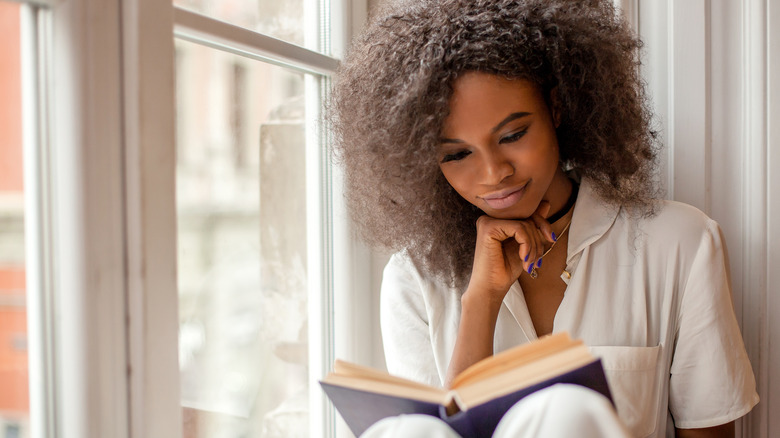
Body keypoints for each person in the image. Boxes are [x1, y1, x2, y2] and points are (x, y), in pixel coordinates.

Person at [328, 0, 759, 436]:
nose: (494, 173)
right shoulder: (413, 278)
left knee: (565, 412)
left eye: (513, 135)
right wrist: (481, 300)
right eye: (457, 154)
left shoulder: (679, 244)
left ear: (556, 109)